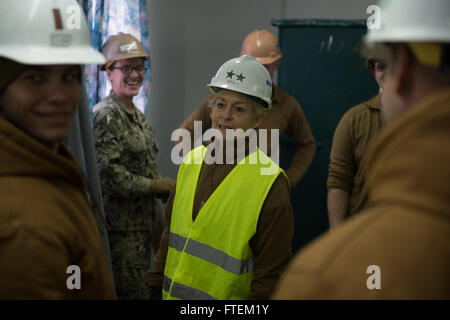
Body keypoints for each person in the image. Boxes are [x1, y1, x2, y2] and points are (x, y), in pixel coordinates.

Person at [272, 0, 450, 299]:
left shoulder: (322, 280)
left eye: (386, 63)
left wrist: (343, 252)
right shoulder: (354, 120)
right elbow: (338, 179)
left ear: (401, 69)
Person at [149, 55, 294, 300]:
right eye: (220, 105)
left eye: (239, 109)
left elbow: (271, 276)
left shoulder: (270, 184)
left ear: (257, 119)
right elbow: (169, 235)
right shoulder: (192, 161)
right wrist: (154, 285)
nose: (225, 116)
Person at [0, 0, 115, 299]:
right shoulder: (21, 220)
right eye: (34, 78)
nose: (59, 96)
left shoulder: (47, 164)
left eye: (69, 77)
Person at [92, 33, 176, 300]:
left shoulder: (136, 115)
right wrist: (153, 186)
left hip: (143, 227)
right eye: (126, 68)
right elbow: (108, 175)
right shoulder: (106, 115)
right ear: (109, 72)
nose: (135, 75)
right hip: (119, 233)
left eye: (139, 67)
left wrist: (163, 190)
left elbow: (142, 166)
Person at [179, 29, 316, 188]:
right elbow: (184, 133)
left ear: (276, 64)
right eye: (253, 64)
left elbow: (307, 145)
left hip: (257, 187)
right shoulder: (217, 101)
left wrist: (287, 180)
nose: (227, 114)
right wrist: (195, 170)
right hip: (214, 183)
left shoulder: (287, 105)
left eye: (264, 66)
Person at [327, 57, 387, 229]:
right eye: (381, 66)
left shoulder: (431, 121)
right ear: (374, 70)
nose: (388, 72)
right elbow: (339, 179)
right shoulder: (354, 120)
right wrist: (337, 238)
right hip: (363, 233)